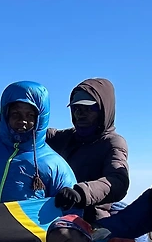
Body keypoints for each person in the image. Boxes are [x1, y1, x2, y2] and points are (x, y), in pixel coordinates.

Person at [47, 79, 130, 221]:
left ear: (103, 110)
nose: (80, 114)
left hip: (92, 221)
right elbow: (40, 133)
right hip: (58, 216)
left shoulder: (112, 142)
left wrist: (81, 193)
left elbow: (118, 181)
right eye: (76, 108)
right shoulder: (68, 137)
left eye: (88, 109)